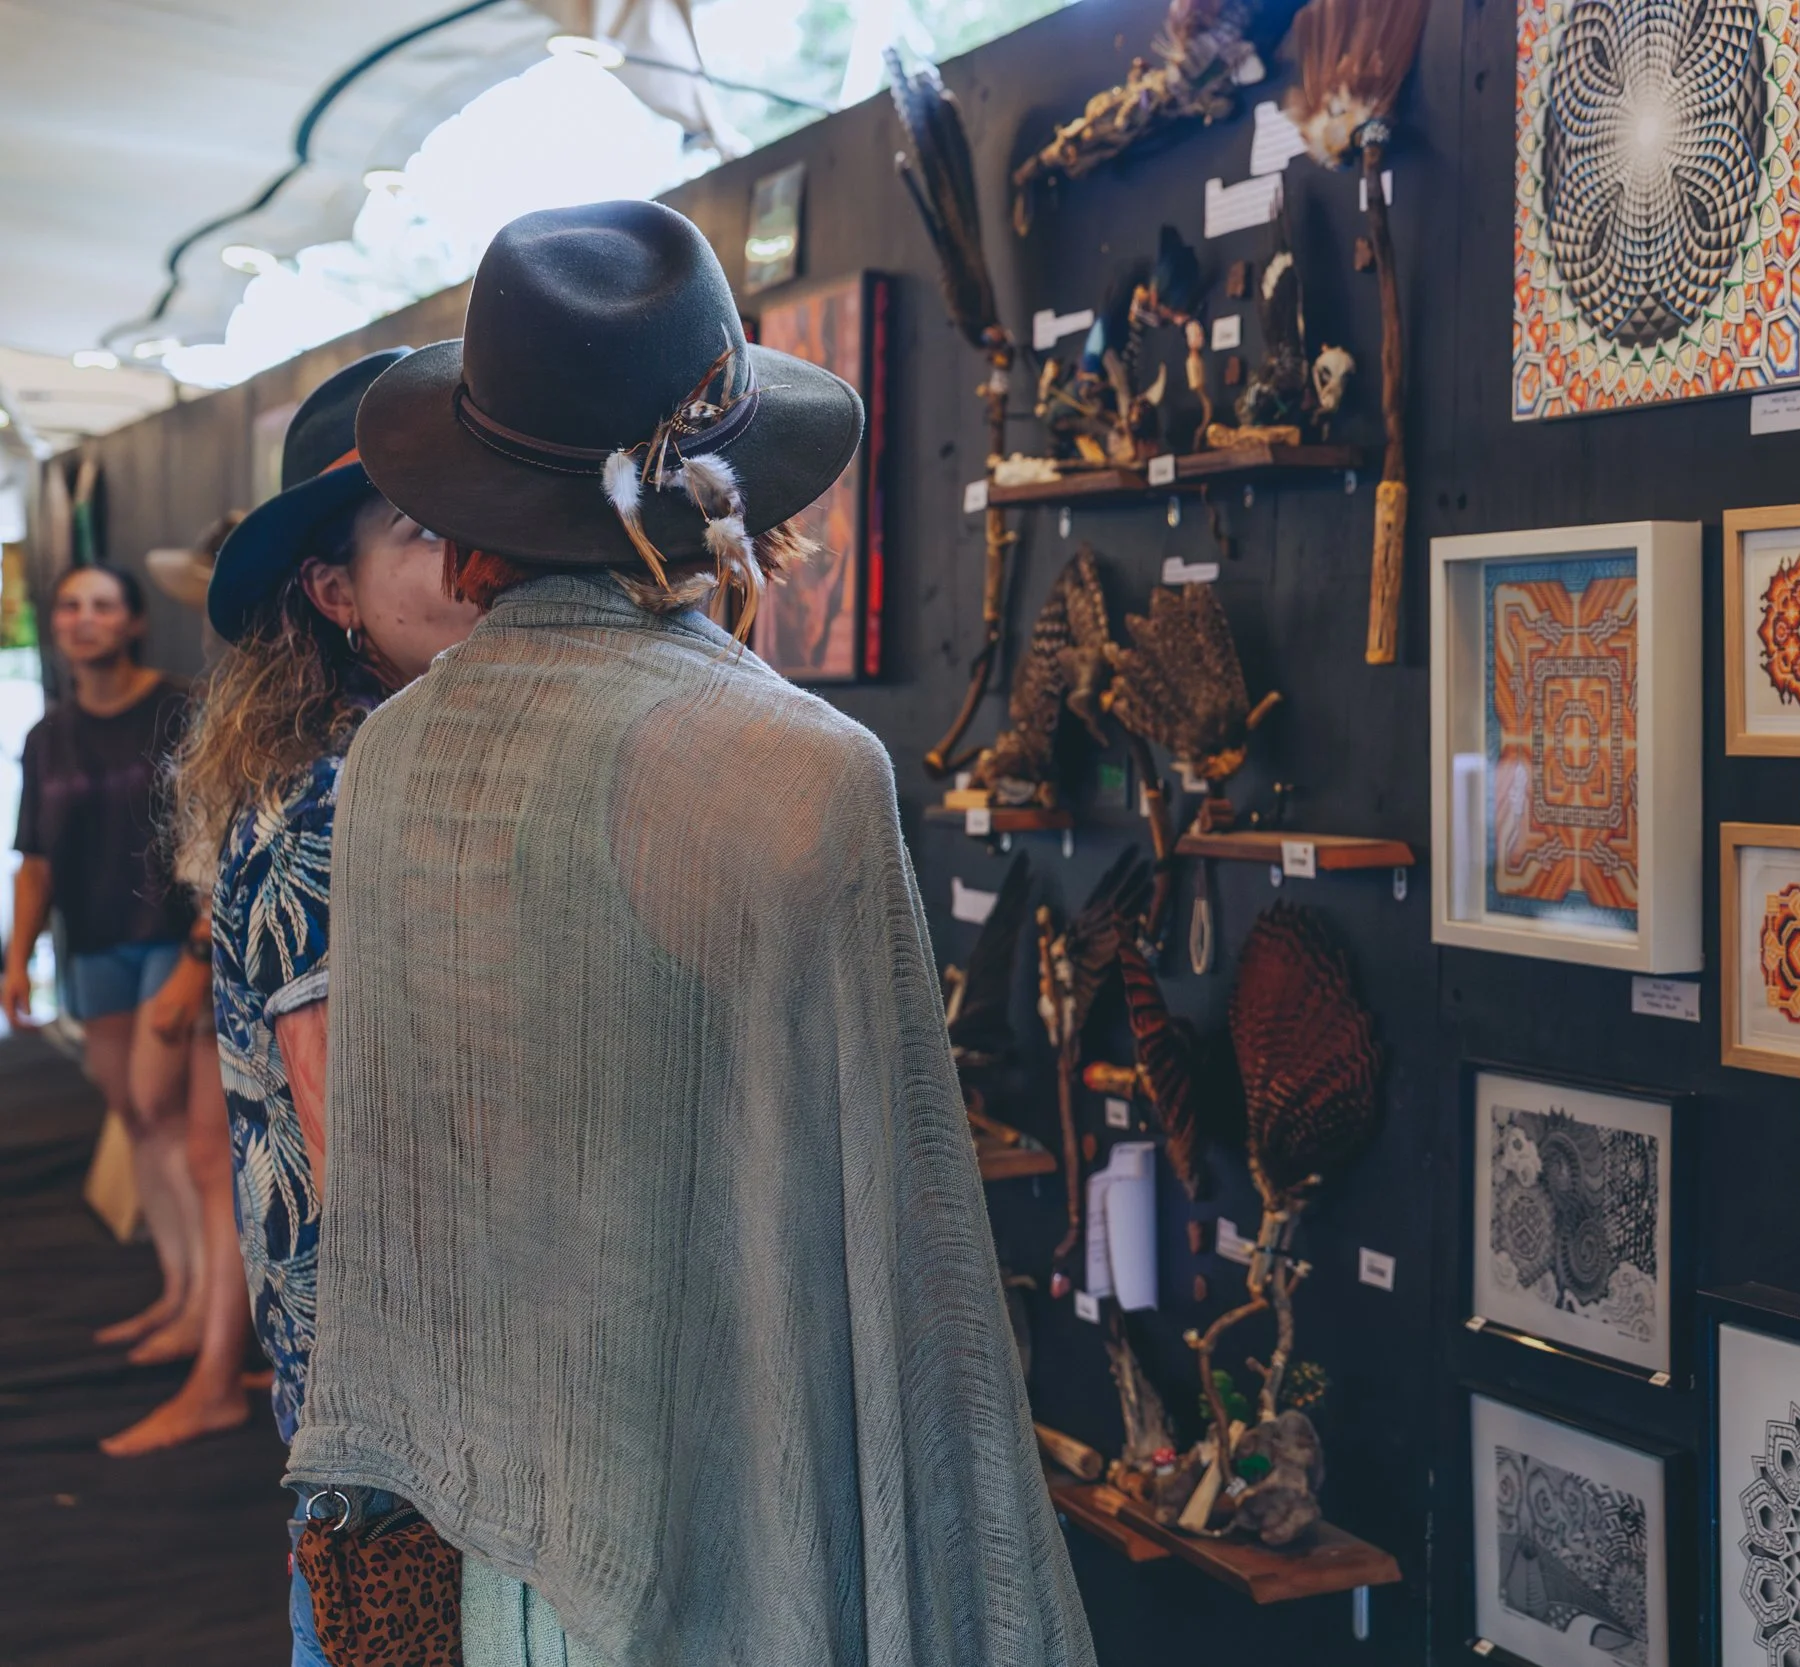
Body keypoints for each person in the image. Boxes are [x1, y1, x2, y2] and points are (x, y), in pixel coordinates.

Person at [288, 200, 1093, 1666]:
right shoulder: (799, 769)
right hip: (738, 1539)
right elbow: (894, 1251)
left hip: (501, 1534)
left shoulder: (401, 752)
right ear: (741, 497)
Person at [168, 348, 482, 1663]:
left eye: (487, 520)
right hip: (420, 1452)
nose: (475, 562)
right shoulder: (343, 793)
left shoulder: (391, 758)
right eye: (424, 531)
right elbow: (369, 1152)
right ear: (333, 588)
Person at [3, 566, 245, 1455]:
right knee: (135, 1115)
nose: (83, 618)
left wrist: (198, 953)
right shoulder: (48, 735)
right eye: (68, 605)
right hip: (93, 943)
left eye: (102, 603)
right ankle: (181, 1292)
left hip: (170, 937)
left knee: (178, 1122)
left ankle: (208, 1320)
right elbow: (33, 857)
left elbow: (213, 830)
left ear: (135, 621)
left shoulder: (179, 707)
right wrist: (18, 955)